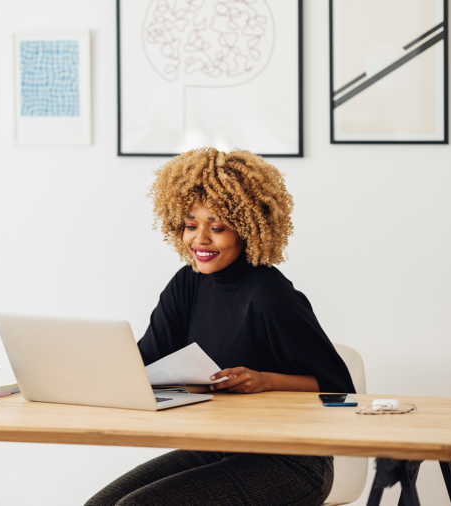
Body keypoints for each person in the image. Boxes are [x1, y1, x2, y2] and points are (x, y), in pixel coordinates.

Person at [85, 148, 355, 506]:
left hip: (292, 460)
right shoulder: (187, 285)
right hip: (220, 448)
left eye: (217, 227)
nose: (200, 240)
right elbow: (143, 363)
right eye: (190, 225)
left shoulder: (270, 295)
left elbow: (342, 393)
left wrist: (265, 380)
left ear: (247, 228)